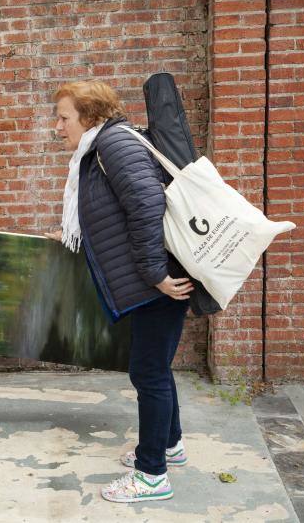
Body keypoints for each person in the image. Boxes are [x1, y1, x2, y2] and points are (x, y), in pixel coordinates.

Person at [47, 81, 194, 502]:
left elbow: (147, 202)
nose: (57, 126)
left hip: (159, 282)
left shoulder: (113, 144)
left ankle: (152, 476)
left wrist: (153, 273)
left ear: (89, 116)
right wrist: (69, 235)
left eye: (64, 117)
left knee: (148, 373)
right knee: (155, 368)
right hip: (155, 280)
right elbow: (110, 210)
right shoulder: (102, 147)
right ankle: (169, 445)